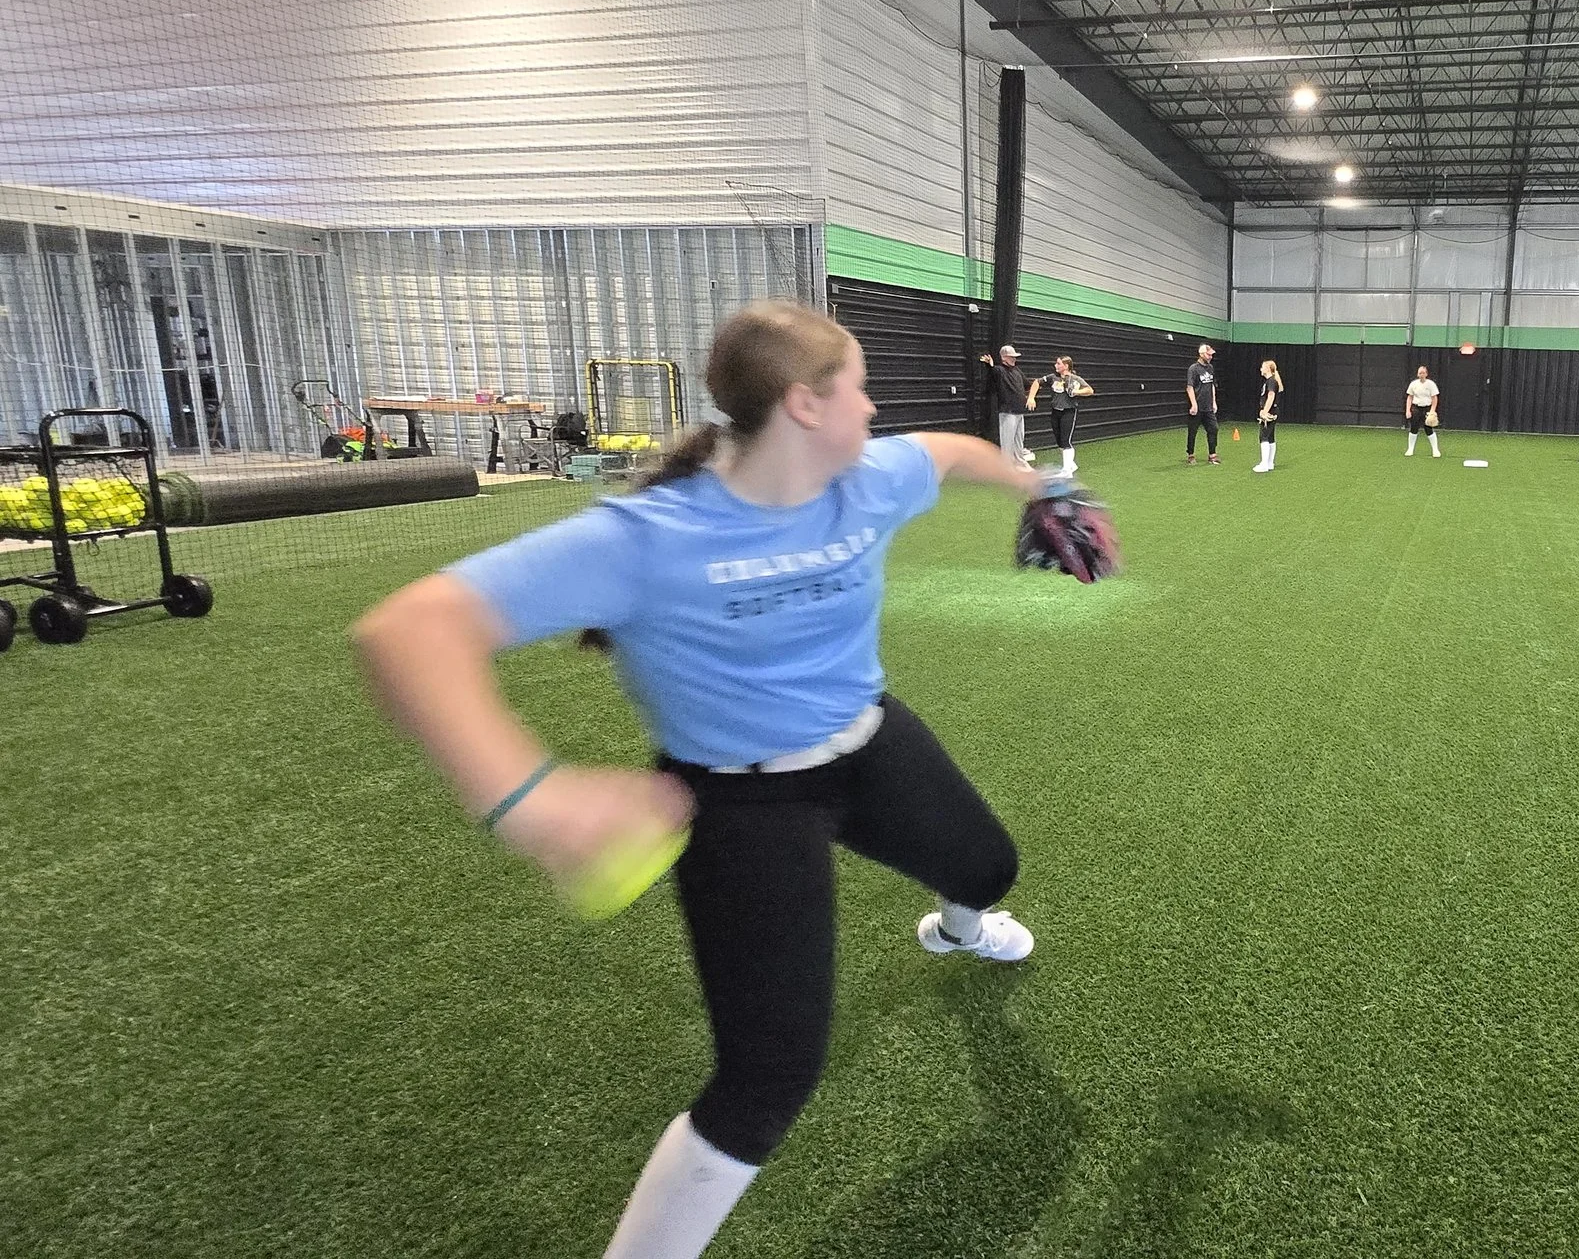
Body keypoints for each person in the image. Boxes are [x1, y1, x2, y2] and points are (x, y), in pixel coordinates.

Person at [353, 303, 1065, 1259]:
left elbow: (945, 451)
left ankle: (955, 928)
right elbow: (409, 631)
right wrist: (531, 799)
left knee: (988, 866)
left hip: (870, 743)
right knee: (768, 1077)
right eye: (858, 387)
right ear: (807, 405)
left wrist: (1037, 488)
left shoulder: (868, 477)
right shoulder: (645, 539)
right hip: (739, 801)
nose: (874, 407)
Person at [1028, 355, 1095, 477]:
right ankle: (1071, 464)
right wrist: (1031, 397)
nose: (1055, 365)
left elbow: (1090, 390)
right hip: (1055, 412)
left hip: (1068, 411)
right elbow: (1037, 382)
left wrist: (1076, 392)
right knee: (1059, 441)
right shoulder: (1053, 377)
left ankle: (1066, 471)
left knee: (1066, 441)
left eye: (1058, 363)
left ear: (1066, 366)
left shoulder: (1075, 379)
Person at [978, 345, 1034, 469]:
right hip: (1008, 411)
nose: (1014, 359)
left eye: (1015, 357)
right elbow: (993, 373)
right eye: (1011, 357)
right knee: (1007, 441)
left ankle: (1020, 462)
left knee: (1019, 440)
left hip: (1019, 411)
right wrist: (989, 365)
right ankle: (1007, 467)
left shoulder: (1017, 371)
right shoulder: (999, 370)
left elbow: (1027, 385)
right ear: (1004, 358)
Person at [1184, 343, 1221, 465]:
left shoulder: (1210, 368)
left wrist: (1214, 402)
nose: (1210, 357)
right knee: (1192, 431)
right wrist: (1194, 404)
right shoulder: (1193, 369)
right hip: (1197, 407)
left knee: (1213, 428)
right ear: (1201, 354)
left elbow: (1212, 386)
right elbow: (1189, 387)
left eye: (1211, 355)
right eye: (1208, 354)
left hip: (1208, 407)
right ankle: (1191, 454)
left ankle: (1212, 455)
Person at [1404, 365, 1441, 458]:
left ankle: (1435, 450)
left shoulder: (1431, 384)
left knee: (1428, 429)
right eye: (1420, 373)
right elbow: (1409, 397)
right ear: (1417, 374)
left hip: (1427, 408)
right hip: (1416, 408)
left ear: (1426, 374)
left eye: (1423, 373)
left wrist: (1432, 411)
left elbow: (1434, 398)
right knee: (1414, 428)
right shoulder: (1413, 384)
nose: (1421, 374)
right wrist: (1408, 410)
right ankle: (1410, 449)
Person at [1252, 359, 1283, 472]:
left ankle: (1264, 464)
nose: (1261, 369)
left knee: (1263, 436)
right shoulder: (1271, 381)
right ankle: (1269, 463)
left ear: (1268, 369)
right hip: (1273, 411)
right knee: (1270, 437)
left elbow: (1271, 396)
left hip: (1270, 412)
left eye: (1262, 367)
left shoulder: (1271, 381)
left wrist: (1265, 411)